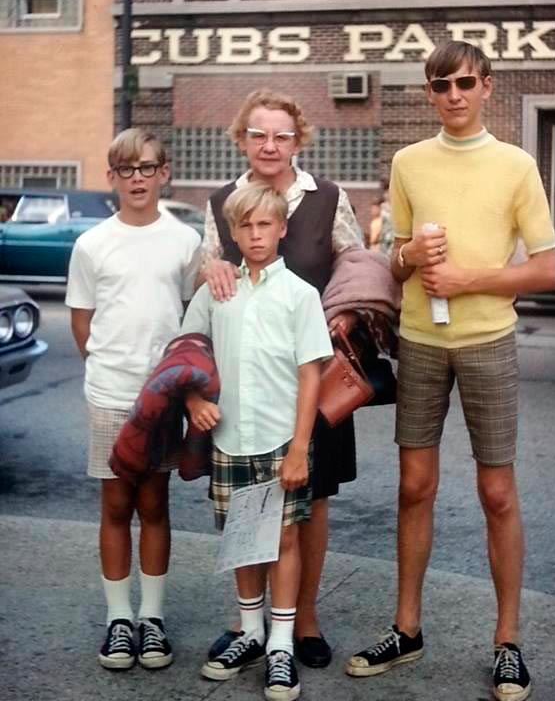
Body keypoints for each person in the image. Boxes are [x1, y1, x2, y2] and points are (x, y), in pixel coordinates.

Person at [346, 41, 555, 701]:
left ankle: (506, 642)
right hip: (420, 340)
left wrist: (473, 277)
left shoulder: (516, 165)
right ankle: (407, 630)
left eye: (465, 82)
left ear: (488, 86)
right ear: (430, 93)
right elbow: (396, 262)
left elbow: (548, 270)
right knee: (414, 485)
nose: (454, 95)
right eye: (441, 86)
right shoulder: (410, 162)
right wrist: (407, 251)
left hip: (489, 340)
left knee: (497, 492)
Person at [201, 88, 364, 669]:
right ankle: (247, 624)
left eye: (282, 135)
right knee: (250, 498)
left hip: (314, 372)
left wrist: (343, 312)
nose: (270, 145)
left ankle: (305, 620)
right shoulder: (225, 200)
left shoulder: (328, 198)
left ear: (299, 140)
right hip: (251, 378)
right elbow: (207, 264)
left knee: (310, 498)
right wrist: (212, 262)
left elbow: (355, 263)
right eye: (258, 134)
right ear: (241, 139)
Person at [182, 183, 333, 701]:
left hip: (280, 439)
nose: (255, 234)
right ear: (231, 232)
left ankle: (282, 645)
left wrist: (299, 447)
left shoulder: (300, 295)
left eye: (264, 224)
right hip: (230, 438)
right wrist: (193, 404)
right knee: (244, 538)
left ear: (282, 228)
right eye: (244, 226)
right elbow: (188, 357)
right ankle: (250, 632)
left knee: (285, 540)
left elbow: (311, 375)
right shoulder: (215, 292)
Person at [65, 128, 201, 671]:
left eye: (147, 168)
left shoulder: (184, 241)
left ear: (164, 171)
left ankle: (153, 620)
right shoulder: (92, 244)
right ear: (112, 178)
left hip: (163, 397)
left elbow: (193, 319)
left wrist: (174, 385)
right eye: (127, 170)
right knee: (117, 505)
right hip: (111, 395)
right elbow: (82, 323)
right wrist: (109, 373)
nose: (138, 178)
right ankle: (118, 620)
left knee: (155, 505)